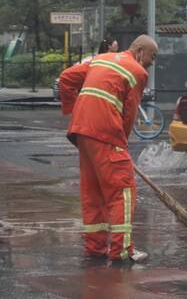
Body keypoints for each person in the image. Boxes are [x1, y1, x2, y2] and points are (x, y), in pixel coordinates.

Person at [59, 34, 158, 262]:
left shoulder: (101, 59)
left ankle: (95, 247)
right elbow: (129, 113)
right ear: (140, 51)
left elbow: (65, 78)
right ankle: (122, 250)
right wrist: (121, 144)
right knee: (122, 190)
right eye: (153, 56)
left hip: (82, 132)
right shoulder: (137, 72)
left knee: (93, 192)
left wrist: (74, 111)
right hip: (105, 134)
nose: (153, 62)